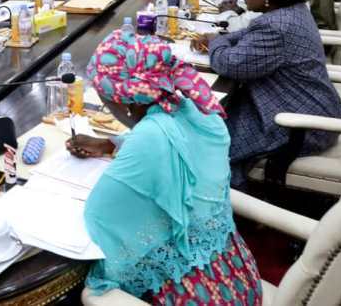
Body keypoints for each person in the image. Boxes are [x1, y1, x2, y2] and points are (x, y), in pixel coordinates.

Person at [71, 30, 263, 304]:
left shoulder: (150, 138)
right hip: (237, 277)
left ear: (124, 101)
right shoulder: (196, 110)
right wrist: (111, 144)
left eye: (103, 97)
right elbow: (176, 140)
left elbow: (99, 216)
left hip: (193, 291)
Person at [192, 0, 341, 186]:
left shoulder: (275, 27)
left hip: (300, 126)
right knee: (215, 119)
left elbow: (229, 63)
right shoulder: (291, 11)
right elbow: (247, 33)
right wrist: (221, 36)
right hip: (308, 106)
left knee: (210, 139)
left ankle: (221, 195)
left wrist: (216, 42)